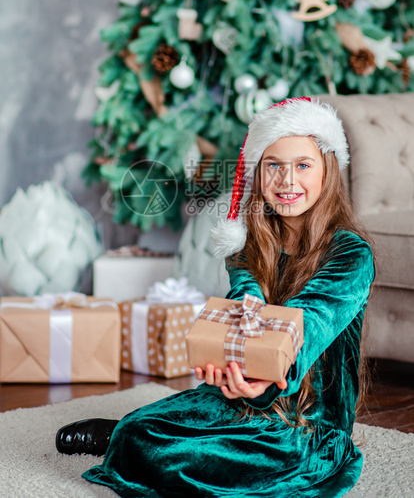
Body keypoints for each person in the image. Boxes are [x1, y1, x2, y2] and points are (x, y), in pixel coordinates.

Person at [56, 97, 376, 497]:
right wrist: (226, 364)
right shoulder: (247, 243)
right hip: (239, 396)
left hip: (306, 418)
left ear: (327, 171)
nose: (287, 181)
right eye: (274, 165)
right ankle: (125, 429)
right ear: (258, 174)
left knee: (189, 458)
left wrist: (266, 379)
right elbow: (245, 302)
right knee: (139, 436)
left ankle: (140, 435)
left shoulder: (350, 254)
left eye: (302, 165)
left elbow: (309, 320)